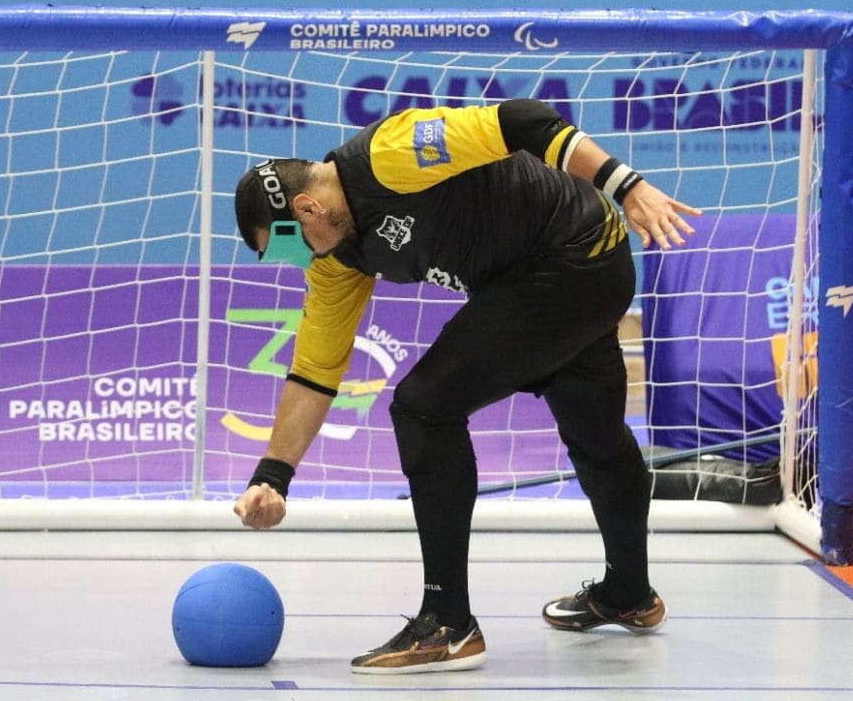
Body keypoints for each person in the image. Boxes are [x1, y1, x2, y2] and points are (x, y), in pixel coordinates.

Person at [231, 97, 700, 675]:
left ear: (306, 209)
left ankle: (447, 622)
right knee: (596, 433)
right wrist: (272, 476)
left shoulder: (391, 155)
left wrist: (626, 186)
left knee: (424, 408)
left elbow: (524, 121)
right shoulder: (337, 259)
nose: (290, 260)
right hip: (553, 273)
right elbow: (314, 370)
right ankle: (629, 594)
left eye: (282, 245)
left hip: (573, 254)